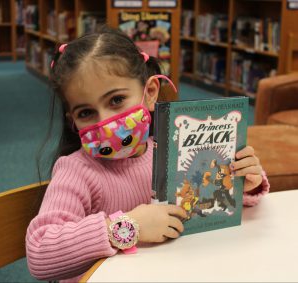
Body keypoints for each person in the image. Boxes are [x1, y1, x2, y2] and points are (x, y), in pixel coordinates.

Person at [26, 25, 270, 282]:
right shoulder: (76, 170)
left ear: (150, 93)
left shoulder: (173, 149)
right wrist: (130, 226)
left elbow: (209, 203)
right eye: (86, 113)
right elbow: (40, 253)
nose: (105, 121)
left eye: (116, 100)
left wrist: (244, 183)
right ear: (73, 120)